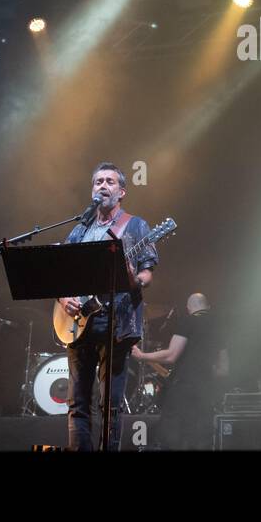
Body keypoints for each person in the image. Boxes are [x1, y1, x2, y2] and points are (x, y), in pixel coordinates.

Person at [56, 162, 158, 451]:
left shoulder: (135, 225)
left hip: (115, 321)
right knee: (77, 403)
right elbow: (59, 274)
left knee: (110, 403)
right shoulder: (80, 229)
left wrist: (130, 275)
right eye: (98, 181)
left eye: (110, 182)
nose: (103, 185)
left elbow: (147, 275)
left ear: (121, 191)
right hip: (79, 324)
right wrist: (65, 300)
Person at [133, 292, 228, 450]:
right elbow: (224, 370)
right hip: (206, 392)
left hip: (184, 390)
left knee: (172, 440)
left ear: (189, 307)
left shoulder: (188, 320)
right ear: (208, 307)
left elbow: (171, 355)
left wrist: (142, 356)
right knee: (199, 441)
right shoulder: (219, 328)